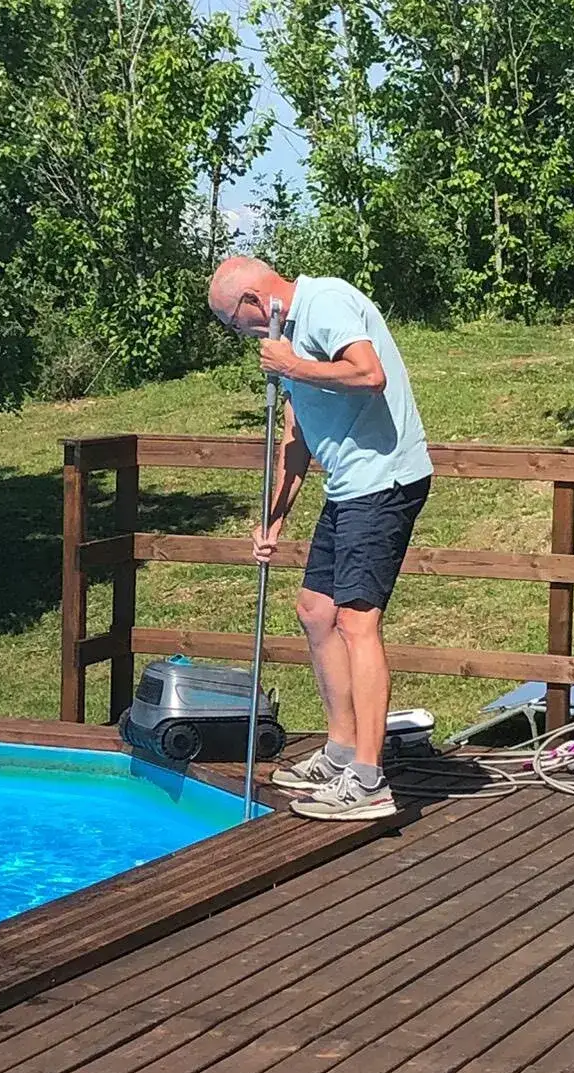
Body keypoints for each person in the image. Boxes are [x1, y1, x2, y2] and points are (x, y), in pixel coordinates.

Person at [208, 257, 433, 821]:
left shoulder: (325, 302)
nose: (241, 335)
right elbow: (296, 435)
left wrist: (293, 364)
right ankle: (340, 752)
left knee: (357, 620)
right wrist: (274, 517)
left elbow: (369, 374)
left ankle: (369, 779)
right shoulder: (283, 336)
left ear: (253, 301)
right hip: (349, 484)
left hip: (384, 480)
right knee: (315, 611)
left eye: (235, 324)